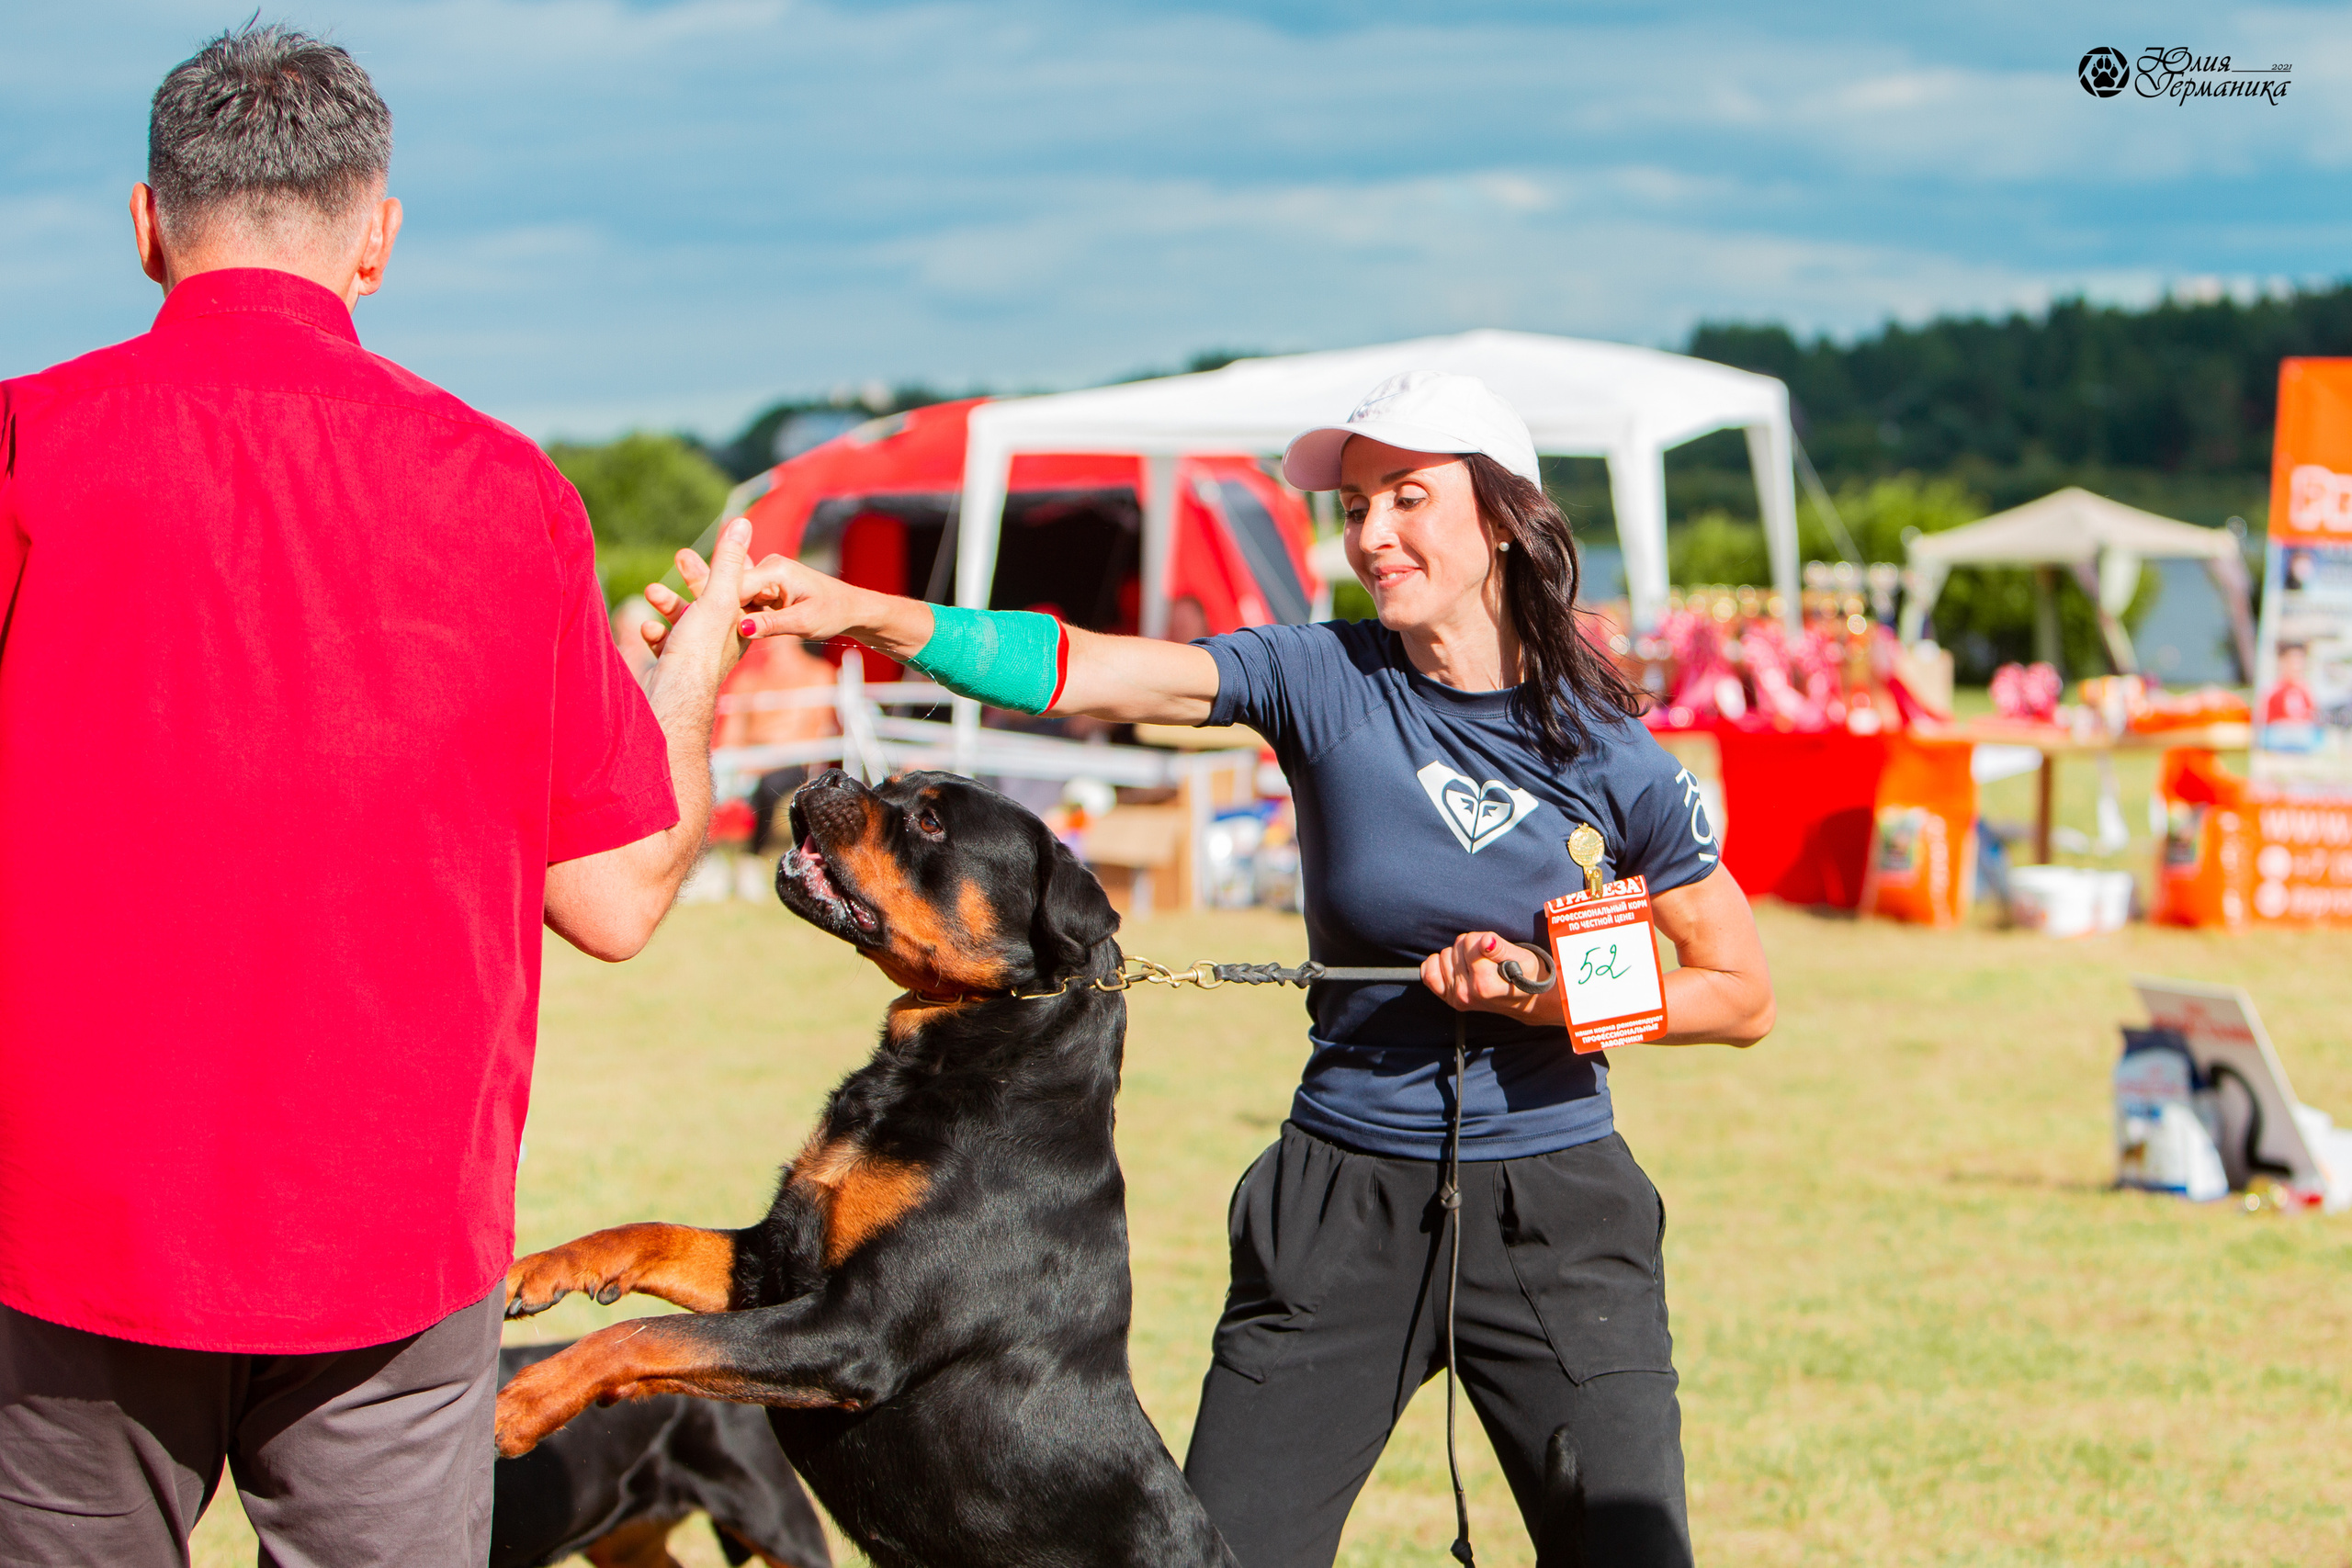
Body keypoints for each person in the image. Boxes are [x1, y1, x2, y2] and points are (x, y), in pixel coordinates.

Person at [719, 368, 1774, 1565]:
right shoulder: (1324, 677)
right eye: (1357, 505)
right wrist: (865, 610)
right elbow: (1093, 669)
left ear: (1501, 515)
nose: (1371, 534)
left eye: (1409, 499)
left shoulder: (1615, 757)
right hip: (1339, 1207)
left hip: (1558, 1218)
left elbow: (1739, 993)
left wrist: (1550, 997)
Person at [0, 26, 763, 1567]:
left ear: (147, 224)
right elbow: (614, 901)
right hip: (389, 1234)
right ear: (378, 239)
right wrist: (690, 674)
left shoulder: (27, 449)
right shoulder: (506, 496)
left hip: (61, 1216)